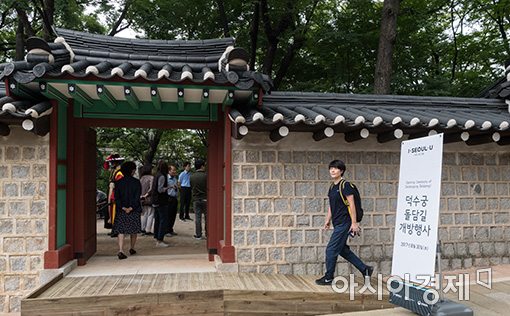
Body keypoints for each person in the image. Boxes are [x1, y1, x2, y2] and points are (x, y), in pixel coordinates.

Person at [315, 159, 373, 285]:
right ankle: (365, 269)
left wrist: (354, 223)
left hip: (345, 223)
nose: (332, 170)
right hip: (337, 223)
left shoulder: (345, 185)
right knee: (342, 250)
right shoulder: (332, 187)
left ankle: (328, 277)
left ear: (341, 171)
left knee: (331, 250)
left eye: (335, 168)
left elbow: (351, 204)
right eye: (331, 168)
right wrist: (327, 219)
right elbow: (332, 205)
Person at [113, 161, 142, 260]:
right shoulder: (136, 182)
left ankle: (121, 249)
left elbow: (117, 198)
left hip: (121, 209)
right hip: (134, 209)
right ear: (132, 170)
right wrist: (131, 208)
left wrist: (123, 207)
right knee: (133, 230)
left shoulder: (118, 183)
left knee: (121, 230)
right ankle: (132, 248)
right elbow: (137, 197)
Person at [104, 154, 124, 236]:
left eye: (112, 162)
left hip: (115, 192)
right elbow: (105, 167)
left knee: (115, 212)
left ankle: (116, 229)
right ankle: (114, 228)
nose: (111, 164)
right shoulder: (114, 170)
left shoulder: (119, 172)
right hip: (112, 191)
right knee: (111, 212)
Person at [152, 160, 170, 247]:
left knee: (157, 219)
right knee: (163, 220)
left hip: (155, 200)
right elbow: (160, 189)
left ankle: (156, 236)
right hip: (161, 201)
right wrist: (168, 187)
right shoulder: (162, 176)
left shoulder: (156, 175)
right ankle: (160, 240)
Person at [190, 159, 207, 240]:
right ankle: (208, 233)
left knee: (198, 217)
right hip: (205, 198)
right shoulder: (206, 175)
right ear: (202, 166)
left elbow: (191, 187)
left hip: (196, 199)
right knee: (207, 217)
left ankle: (198, 234)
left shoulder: (192, 176)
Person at [139, 165, 154, 236]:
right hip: (149, 198)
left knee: (144, 214)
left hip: (142, 198)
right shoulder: (151, 178)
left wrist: (142, 196)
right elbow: (151, 189)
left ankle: (142, 229)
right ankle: (148, 230)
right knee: (150, 214)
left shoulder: (141, 178)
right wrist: (147, 194)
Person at [167, 165, 179, 236]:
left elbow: (176, 187)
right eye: (173, 170)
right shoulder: (166, 178)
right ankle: (166, 230)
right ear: (169, 171)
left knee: (173, 215)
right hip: (168, 198)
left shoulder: (175, 179)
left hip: (174, 198)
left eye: (175, 170)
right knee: (168, 215)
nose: (174, 171)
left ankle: (170, 229)